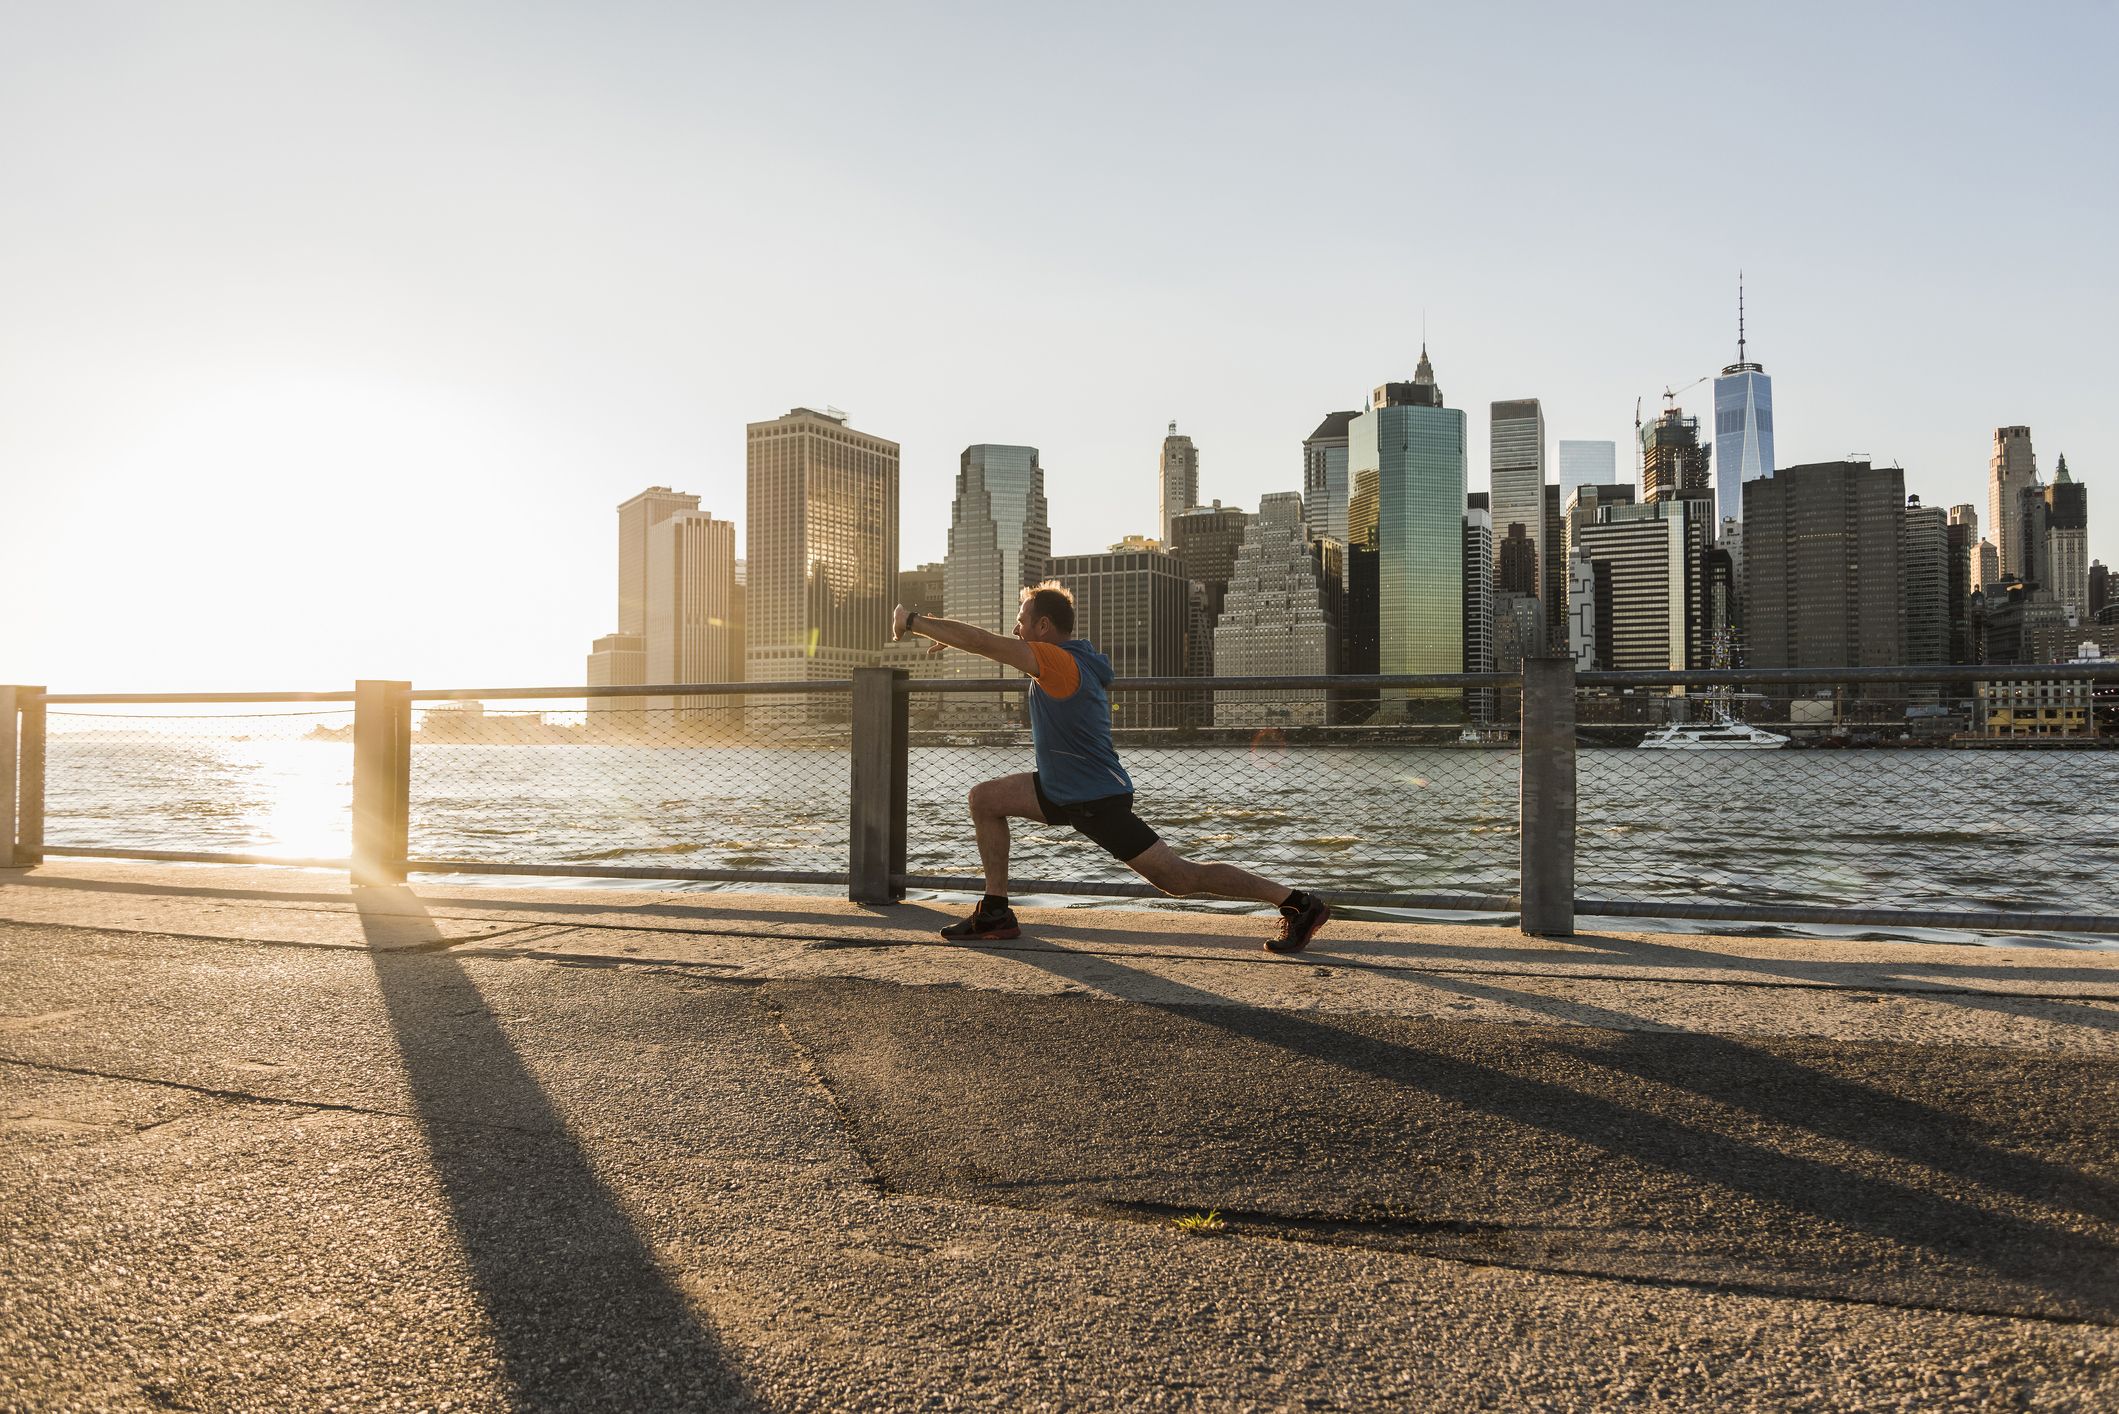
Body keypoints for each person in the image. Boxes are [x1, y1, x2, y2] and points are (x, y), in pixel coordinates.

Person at [891, 581, 1331, 953]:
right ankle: (995, 911)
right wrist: (947, 634)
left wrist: (913, 621)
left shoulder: (1059, 663)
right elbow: (986, 642)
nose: (1016, 629)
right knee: (985, 799)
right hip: (1062, 789)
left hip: (1093, 799)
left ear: (1044, 627)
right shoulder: (1069, 660)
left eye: (1022, 621)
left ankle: (1296, 902)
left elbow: (985, 643)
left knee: (1178, 879)